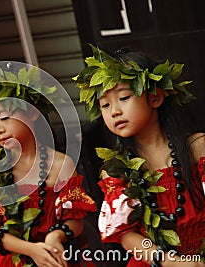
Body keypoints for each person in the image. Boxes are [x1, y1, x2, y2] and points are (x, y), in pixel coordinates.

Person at [73, 44, 205, 266]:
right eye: (105, 104)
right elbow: (127, 235)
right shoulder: (115, 169)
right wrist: (164, 259)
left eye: (123, 98)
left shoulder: (196, 147)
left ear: (155, 98)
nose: (114, 110)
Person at [0, 63, 97, 266]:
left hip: (54, 256)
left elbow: (75, 220)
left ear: (33, 112)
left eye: (4, 118)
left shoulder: (60, 164)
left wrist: (56, 237)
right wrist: (31, 250)